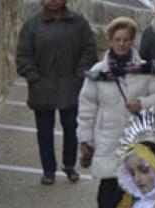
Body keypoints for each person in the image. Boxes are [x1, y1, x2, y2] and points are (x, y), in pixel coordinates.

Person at [78, 17, 155, 208]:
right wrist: (85, 139)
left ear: (132, 40)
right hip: (107, 139)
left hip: (137, 139)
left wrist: (142, 104)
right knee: (107, 191)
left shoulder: (147, 69)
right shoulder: (98, 72)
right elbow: (87, 107)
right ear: (110, 41)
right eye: (118, 39)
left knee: (137, 189)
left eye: (126, 40)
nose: (122, 44)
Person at [16, 0, 96, 185]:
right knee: (44, 131)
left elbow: (89, 51)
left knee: (71, 128)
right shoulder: (32, 25)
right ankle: (48, 170)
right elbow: (23, 55)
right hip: (42, 87)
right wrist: (34, 77)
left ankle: (69, 165)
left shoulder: (79, 24)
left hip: (71, 86)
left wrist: (79, 77)